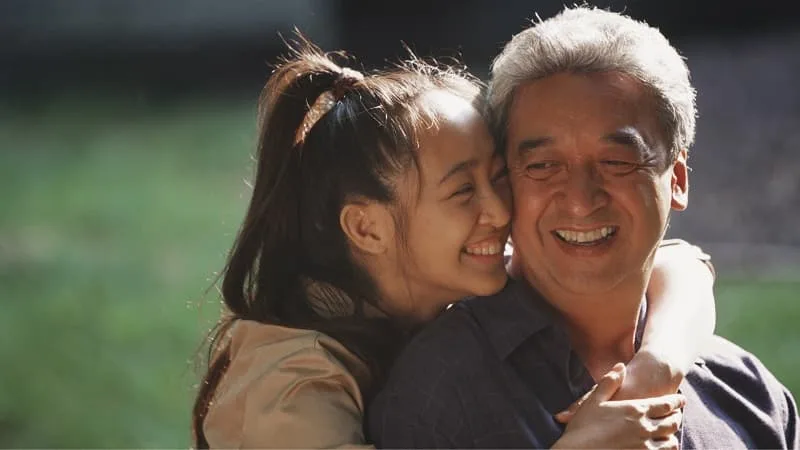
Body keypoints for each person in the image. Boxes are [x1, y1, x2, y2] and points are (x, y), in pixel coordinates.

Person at [192, 36, 717, 448]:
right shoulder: (290, 382)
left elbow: (682, 265)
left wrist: (658, 363)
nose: (499, 209)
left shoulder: (449, 278)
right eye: (464, 190)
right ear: (367, 228)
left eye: (498, 177)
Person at [368, 6, 799, 449]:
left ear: (678, 180)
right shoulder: (438, 394)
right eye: (544, 166)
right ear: (506, 182)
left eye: (615, 162)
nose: (580, 200)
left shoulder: (749, 395)